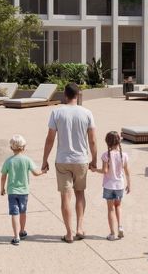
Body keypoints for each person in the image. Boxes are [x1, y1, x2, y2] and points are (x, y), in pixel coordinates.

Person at [42, 83, 97, 243]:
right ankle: (79, 228)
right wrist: (94, 159)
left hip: (63, 160)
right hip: (81, 160)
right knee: (80, 194)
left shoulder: (56, 112)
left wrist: (45, 160)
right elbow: (92, 140)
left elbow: (50, 139)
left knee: (65, 197)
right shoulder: (87, 113)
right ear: (78, 95)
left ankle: (69, 233)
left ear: (65, 95)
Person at [0, 134, 47, 246]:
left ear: (11, 148)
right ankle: (22, 231)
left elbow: (3, 176)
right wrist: (43, 171)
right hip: (24, 192)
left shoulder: (9, 161)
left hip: (12, 192)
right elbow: (36, 173)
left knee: (14, 213)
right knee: (23, 212)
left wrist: (2, 188)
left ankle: (16, 237)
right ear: (24, 147)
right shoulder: (27, 160)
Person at [92, 131, 131, 241]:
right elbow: (127, 171)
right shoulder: (124, 155)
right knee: (118, 206)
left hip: (109, 186)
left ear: (107, 142)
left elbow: (105, 171)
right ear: (119, 142)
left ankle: (112, 233)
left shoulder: (106, 155)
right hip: (119, 185)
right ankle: (120, 226)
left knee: (110, 209)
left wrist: (95, 170)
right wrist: (129, 184)